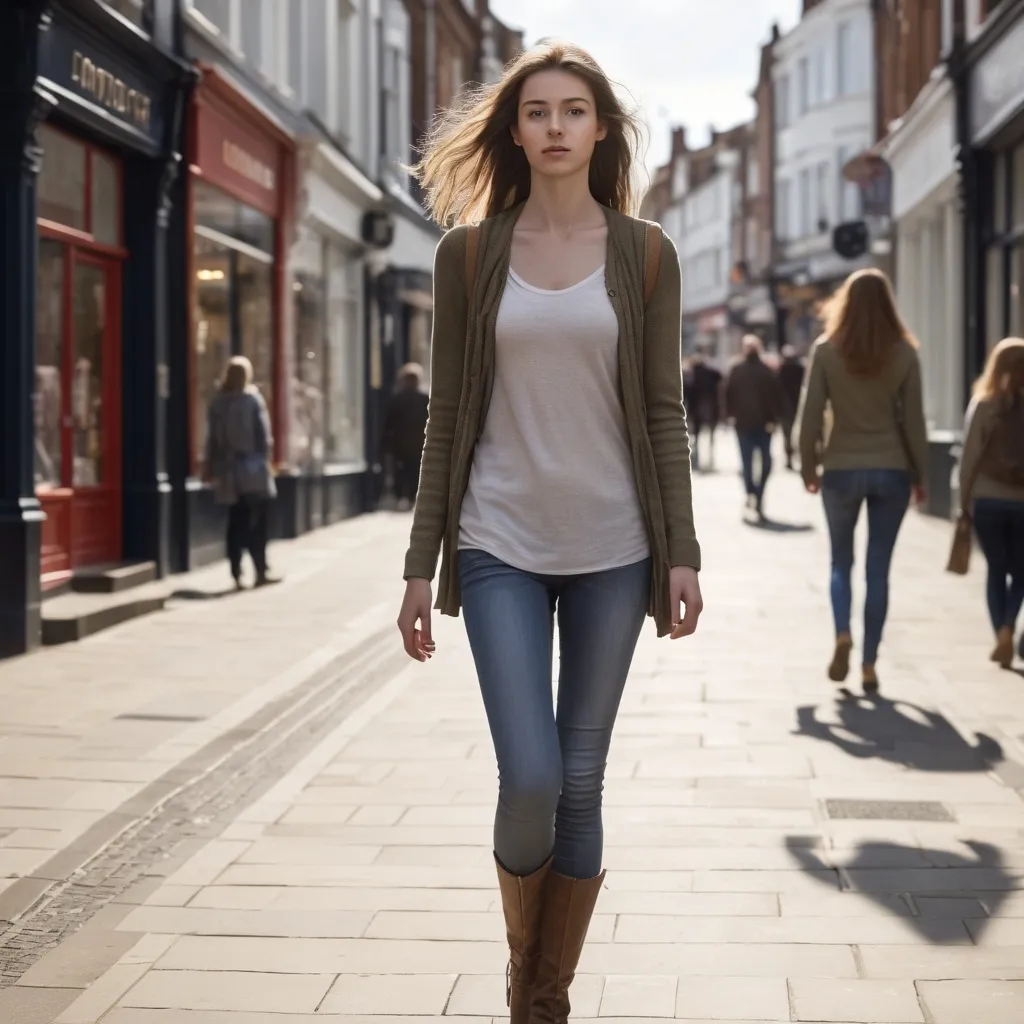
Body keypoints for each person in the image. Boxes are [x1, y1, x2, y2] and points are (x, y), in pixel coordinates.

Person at [396, 42, 703, 1023]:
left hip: (616, 548)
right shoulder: (469, 255)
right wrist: (418, 564)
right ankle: (528, 968)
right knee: (529, 773)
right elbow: (447, 415)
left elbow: (664, 411)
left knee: (578, 778)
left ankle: (542, 999)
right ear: (515, 129)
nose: (556, 127)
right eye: (537, 111)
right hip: (496, 545)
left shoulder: (645, 252)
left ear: (600, 129)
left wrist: (683, 551)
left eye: (575, 111)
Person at [796, 268, 927, 696]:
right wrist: (921, 476)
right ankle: (870, 664)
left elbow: (811, 415)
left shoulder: (827, 350)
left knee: (840, 563)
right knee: (879, 570)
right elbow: (914, 423)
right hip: (891, 469)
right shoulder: (905, 354)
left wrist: (809, 468)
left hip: (840, 469)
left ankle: (841, 634)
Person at [957, 338, 1024, 668]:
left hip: (987, 500)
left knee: (996, 569)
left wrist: (963, 502)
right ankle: (1011, 624)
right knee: (1022, 571)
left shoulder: (984, 404)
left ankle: (1000, 632)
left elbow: (969, 458)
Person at [202, 356, 279, 590]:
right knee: (257, 522)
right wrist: (266, 463)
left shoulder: (218, 403)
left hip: (227, 471)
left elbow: (211, 441)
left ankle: (236, 573)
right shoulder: (252, 400)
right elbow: (264, 437)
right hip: (253, 469)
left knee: (235, 522)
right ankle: (260, 570)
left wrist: (209, 467)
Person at [724, 334, 787, 519]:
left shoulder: (763, 371)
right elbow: (727, 394)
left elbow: (776, 397)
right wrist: (729, 415)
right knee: (750, 463)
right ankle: (753, 493)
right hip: (748, 424)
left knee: (762, 463)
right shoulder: (739, 370)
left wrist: (774, 419)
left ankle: (755, 494)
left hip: (758, 424)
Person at [382, 362, 430, 511]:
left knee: (404, 471)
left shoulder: (398, 399)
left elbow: (387, 424)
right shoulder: (424, 399)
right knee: (415, 471)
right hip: (417, 444)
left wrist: (385, 445)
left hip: (403, 445)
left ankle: (405, 498)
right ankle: (411, 498)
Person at [688, 349, 723, 471]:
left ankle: (697, 460)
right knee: (710, 435)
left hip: (695, 410)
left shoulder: (690, 375)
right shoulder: (711, 373)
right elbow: (720, 378)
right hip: (711, 408)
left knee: (696, 436)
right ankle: (710, 459)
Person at [778, 344, 806, 470]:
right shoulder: (800, 370)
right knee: (799, 433)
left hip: (784, 407)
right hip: (798, 406)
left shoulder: (780, 371)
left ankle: (789, 457)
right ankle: (799, 456)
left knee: (787, 435)